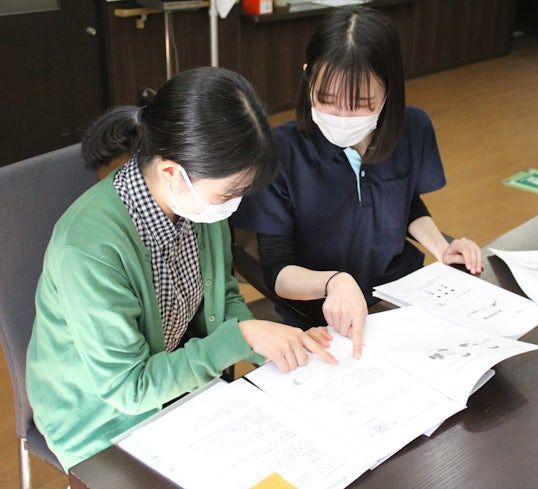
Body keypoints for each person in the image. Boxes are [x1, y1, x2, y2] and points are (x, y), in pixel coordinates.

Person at [26, 67, 336, 471]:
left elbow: (221, 294)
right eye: (228, 192)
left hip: (178, 387)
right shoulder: (88, 249)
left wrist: (274, 346)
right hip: (103, 422)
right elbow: (129, 388)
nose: (234, 204)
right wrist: (243, 337)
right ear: (173, 171)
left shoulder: (194, 204)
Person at [232, 7, 483, 359]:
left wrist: (441, 247)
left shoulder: (413, 129)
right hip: (318, 317)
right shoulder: (280, 152)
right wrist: (333, 282)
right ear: (308, 78)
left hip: (398, 298)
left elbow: (405, 201)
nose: (341, 118)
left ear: (389, 89)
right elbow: (277, 270)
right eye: (326, 99)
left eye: (361, 104)